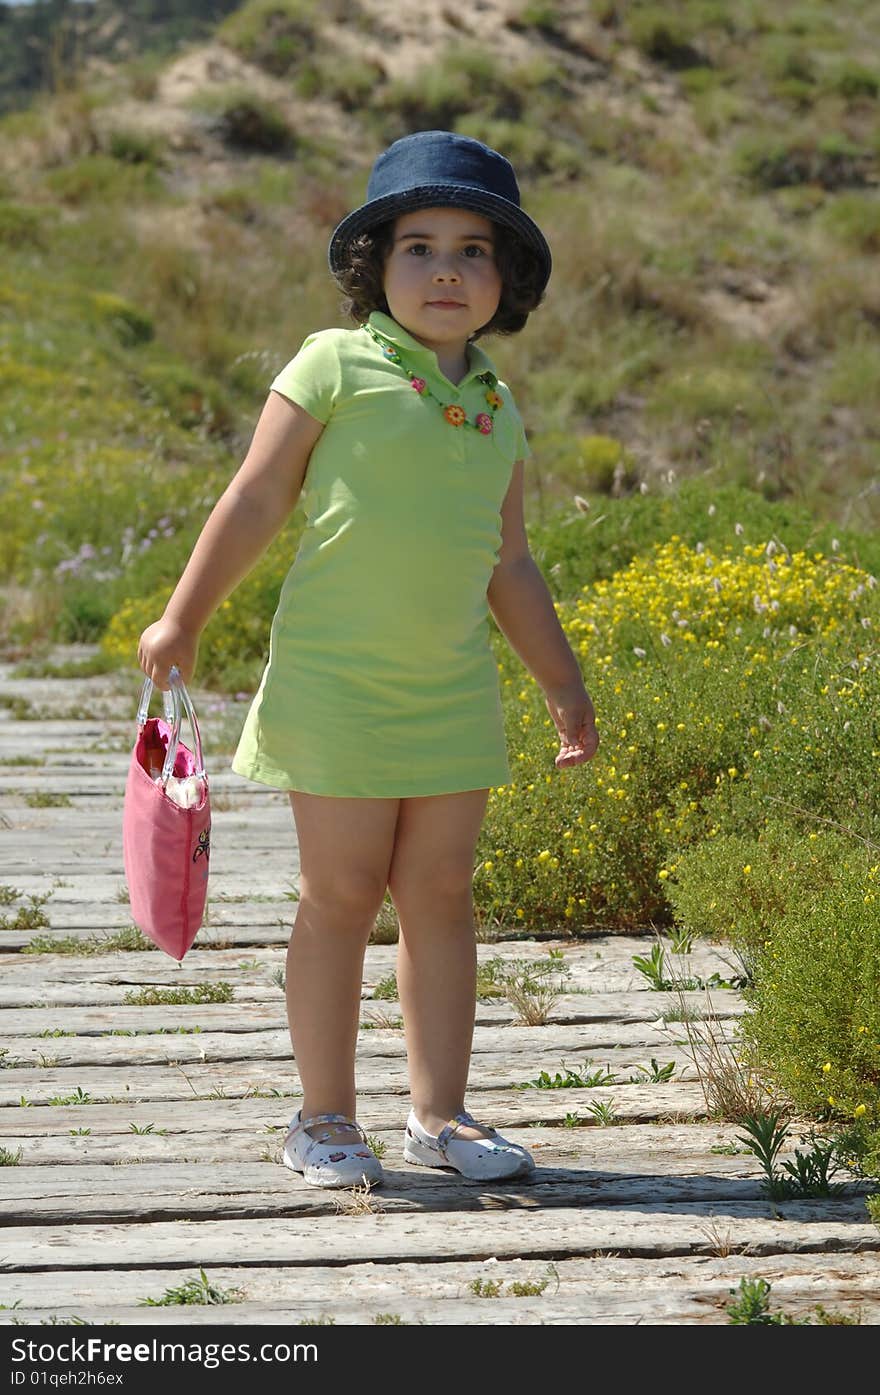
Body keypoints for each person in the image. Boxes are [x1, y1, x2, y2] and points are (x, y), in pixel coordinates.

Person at [137, 130, 599, 1189]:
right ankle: (324, 1116)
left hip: (449, 690)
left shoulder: (494, 406)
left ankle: (439, 1116)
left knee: (441, 891)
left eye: (475, 249)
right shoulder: (332, 362)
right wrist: (182, 618)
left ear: (505, 279)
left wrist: (563, 686)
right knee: (340, 892)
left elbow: (510, 565)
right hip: (336, 686)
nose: (447, 268)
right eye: (418, 245)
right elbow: (254, 497)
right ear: (372, 267)